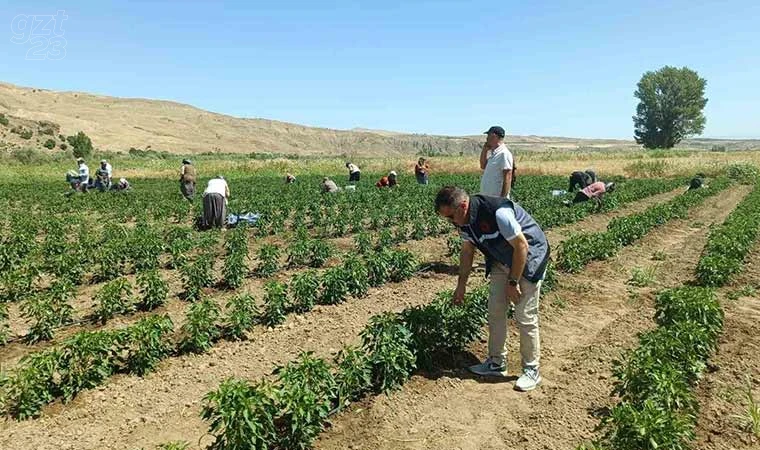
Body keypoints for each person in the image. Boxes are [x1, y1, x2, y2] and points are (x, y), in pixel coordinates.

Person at [435, 186, 549, 391]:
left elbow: (522, 246)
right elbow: (467, 252)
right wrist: (461, 286)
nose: (450, 222)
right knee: (495, 310)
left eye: (451, 216)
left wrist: (513, 283)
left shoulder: (498, 213)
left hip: (529, 257)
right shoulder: (463, 222)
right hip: (500, 259)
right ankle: (496, 362)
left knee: (525, 315)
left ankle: (532, 370)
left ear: (463, 206)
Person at [479, 126, 514, 198]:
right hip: (488, 198)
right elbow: (483, 166)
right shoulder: (494, 154)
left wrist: (502, 199)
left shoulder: (504, 154)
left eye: (488, 135)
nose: (487, 138)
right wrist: (484, 150)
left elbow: (508, 177)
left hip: (496, 200)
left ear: (494, 136)